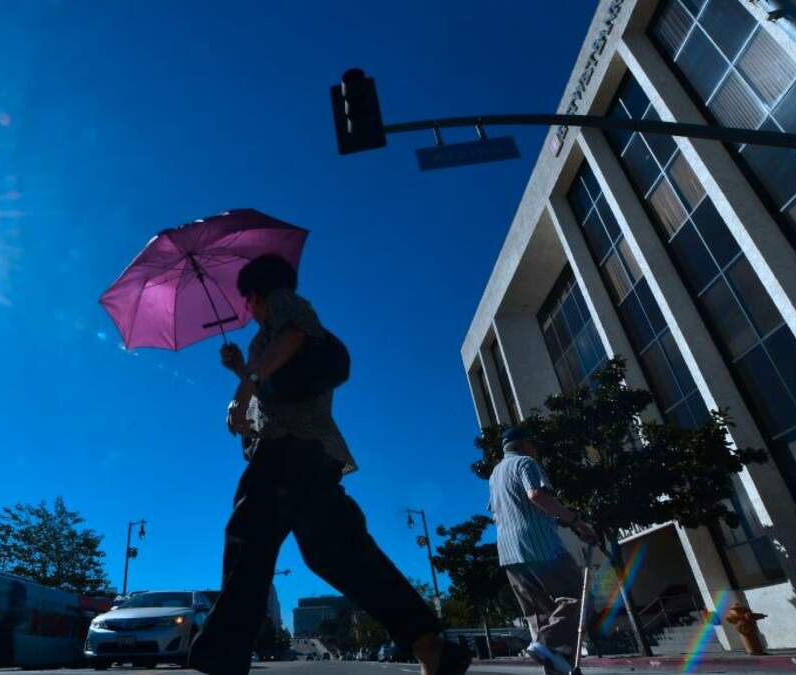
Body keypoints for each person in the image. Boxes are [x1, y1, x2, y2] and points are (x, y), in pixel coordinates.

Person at [188, 254, 469, 675]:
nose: (246, 307)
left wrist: (244, 386)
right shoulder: (264, 341)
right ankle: (428, 643)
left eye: (247, 298)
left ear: (258, 293)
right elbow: (276, 394)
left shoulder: (285, 303)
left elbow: (293, 338)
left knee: (249, 539)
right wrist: (241, 372)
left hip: (286, 451)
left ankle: (222, 657)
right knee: (336, 552)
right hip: (310, 454)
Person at [488, 427, 596, 675]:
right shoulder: (525, 463)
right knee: (577, 597)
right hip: (539, 545)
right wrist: (577, 522)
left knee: (540, 616)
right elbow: (536, 494)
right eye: (532, 444)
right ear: (525, 444)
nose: (535, 449)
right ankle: (547, 644)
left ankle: (554, 661)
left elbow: (496, 512)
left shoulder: (495, 475)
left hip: (509, 553)